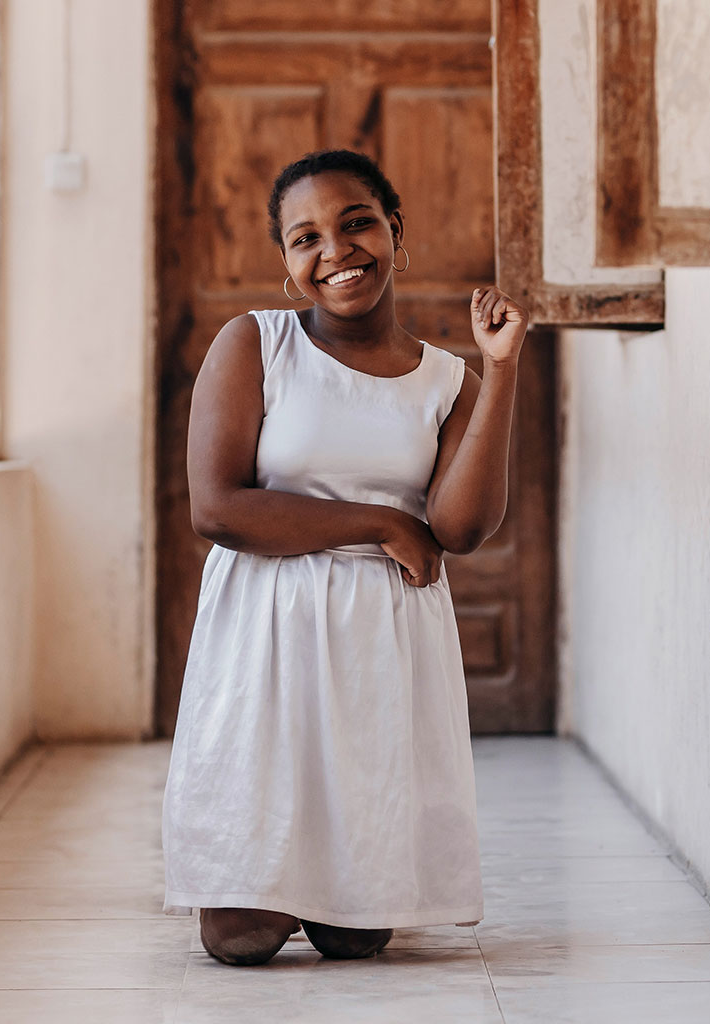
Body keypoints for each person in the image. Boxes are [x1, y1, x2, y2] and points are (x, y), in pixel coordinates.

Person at [160, 148, 528, 965]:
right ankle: (263, 879)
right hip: (266, 637)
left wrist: (499, 372)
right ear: (289, 265)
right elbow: (217, 508)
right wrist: (381, 523)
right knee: (240, 940)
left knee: (354, 936)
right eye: (307, 238)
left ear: (395, 232)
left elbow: (463, 528)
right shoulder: (255, 345)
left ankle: (331, 880)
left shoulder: (447, 380)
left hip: (380, 645)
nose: (336, 251)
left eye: (356, 222)